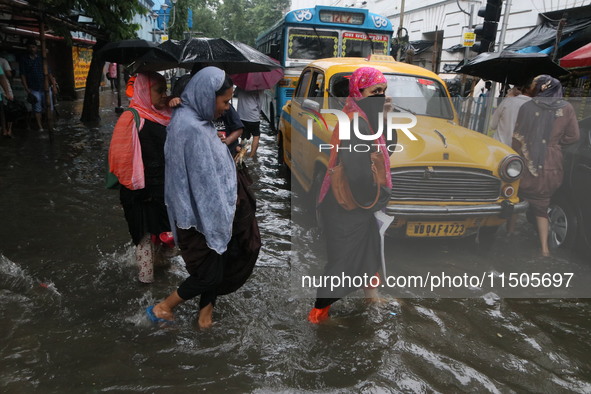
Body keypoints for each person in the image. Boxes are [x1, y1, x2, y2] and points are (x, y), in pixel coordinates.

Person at [147, 67, 260, 329]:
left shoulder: (199, 120)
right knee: (208, 274)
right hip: (198, 216)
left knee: (219, 263)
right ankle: (162, 307)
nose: (226, 107)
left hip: (210, 211)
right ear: (207, 96)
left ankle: (204, 316)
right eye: (224, 101)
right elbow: (200, 180)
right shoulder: (190, 128)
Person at [308, 67, 393, 324]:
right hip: (345, 206)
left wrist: (384, 116)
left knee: (368, 251)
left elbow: (388, 143)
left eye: (383, 91)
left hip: (356, 205)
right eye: (374, 91)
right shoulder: (356, 123)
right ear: (359, 92)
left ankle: (371, 296)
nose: (380, 96)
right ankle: (317, 315)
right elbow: (357, 174)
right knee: (340, 264)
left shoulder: (363, 117)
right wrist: (375, 200)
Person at [108, 71, 173, 283]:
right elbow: (121, 158)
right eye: (159, 90)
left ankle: (163, 281)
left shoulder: (167, 115)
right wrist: (139, 190)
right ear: (145, 91)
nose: (164, 95)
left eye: (165, 89)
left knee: (166, 237)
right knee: (144, 238)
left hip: (162, 189)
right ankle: (146, 288)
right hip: (139, 192)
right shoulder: (131, 118)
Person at [512, 75, 580, 257]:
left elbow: (517, 136)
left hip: (527, 160)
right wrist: (555, 144)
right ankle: (544, 249)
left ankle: (509, 237)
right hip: (551, 164)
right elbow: (574, 136)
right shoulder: (567, 108)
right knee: (542, 207)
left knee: (515, 203)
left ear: (541, 88)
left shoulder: (527, 107)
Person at [168, 70, 244, 157]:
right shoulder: (189, 124)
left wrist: (225, 140)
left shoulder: (216, 115)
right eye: (225, 102)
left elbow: (239, 129)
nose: (227, 107)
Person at [19, 39, 57, 132]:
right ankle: (40, 127)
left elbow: (49, 73)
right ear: (27, 48)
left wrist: (54, 86)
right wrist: (27, 88)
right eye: (30, 47)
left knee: (49, 107)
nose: (32, 49)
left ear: (36, 48)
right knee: (37, 108)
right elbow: (22, 75)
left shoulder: (41, 58)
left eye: (33, 47)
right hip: (33, 88)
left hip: (45, 87)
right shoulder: (24, 60)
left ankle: (50, 125)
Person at [236, 87, 262, 157]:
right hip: (253, 116)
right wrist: (257, 113)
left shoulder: (240, 86)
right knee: (256, 136)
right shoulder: (257, 88)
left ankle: (240, 155)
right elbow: (259, 103)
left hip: (241, 115)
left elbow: (236, 94)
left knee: (243, 137)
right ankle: (251, 156)